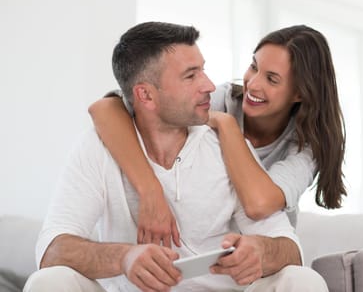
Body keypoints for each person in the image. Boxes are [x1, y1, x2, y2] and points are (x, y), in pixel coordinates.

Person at [24, 22, 328, 292]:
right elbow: (51, 251)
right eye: (191, 75)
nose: (209, 85)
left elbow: (289, 247)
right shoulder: (99, 145)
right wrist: (125, 256)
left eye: (204, 70)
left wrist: (260, 251)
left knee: (304, 281)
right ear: (145, 95)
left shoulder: (231, 144)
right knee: (47, 282)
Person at [88, 24, 347, 247]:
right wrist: (150, 191)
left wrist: (227, 127)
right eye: (253, 66)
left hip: (260, 249)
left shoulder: (306, 147)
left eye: (272, 79)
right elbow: (105, 108)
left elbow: (258, 204)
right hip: (207, 244)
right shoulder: (222, 99)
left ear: (300, 93)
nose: (253, 84)